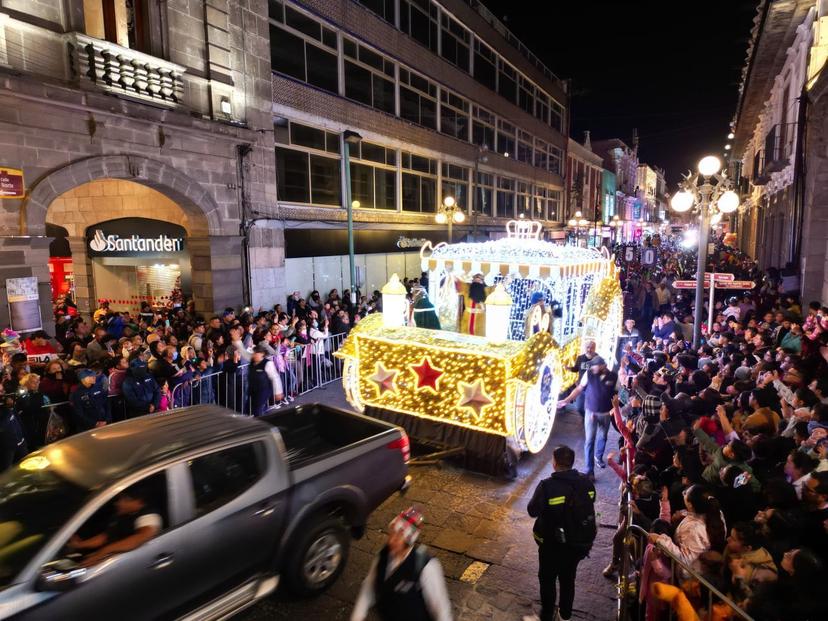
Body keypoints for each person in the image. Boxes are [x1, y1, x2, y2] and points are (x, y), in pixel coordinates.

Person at [526, 445, 597, 621]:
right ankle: (565, 617)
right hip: (577, 544)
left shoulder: (547, 486)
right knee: (568, 580)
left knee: (548, 579)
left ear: (555, 463)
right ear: (571, 463)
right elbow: (592, 498)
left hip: (552, 544)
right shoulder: (586, 482)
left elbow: (532, 510)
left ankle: (547, 616)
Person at [351, 507, 452, 621]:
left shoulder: (426, 567)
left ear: (408, 540)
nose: (391, 540)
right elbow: (369, 587)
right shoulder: (383, 555)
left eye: (399, 535)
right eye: (392, 533)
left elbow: (441, 609)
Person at [68, 482, 163, 566]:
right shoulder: (122, 514)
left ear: (139, 502)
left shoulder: (149, 515)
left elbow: (141, 537)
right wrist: (80, 545)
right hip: (113, 560)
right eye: (119, 498)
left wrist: (104, 552)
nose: (118, 503)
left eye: (125, 499)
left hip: (132, 565)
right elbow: (105, 537)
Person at [557, 356, 616, 479]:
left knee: (603, 437)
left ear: (602, 366)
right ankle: (589, 470)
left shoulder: (614, 377)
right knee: (589, 441)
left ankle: (598, 457)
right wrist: (566, 401)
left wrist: (614, 410)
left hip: (606, 414)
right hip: (591, 413)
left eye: (594, 366)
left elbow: (617, 395)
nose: (592, 369)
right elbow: (579, 389)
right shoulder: (589, 374)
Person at [14, 373, 50, 451]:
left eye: (37, 381)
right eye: (33, 382)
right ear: (26, 383)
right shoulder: (21, 393)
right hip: (27, 423)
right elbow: (25, 408)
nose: (36, 384)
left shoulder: (39, 393)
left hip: (40, 422)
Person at [248, 346, 283, 416]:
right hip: (253, 389)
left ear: (262, 354)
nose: (254, 355)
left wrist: (278, 392)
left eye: (256, 353)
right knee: (255, 408)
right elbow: (243, 352)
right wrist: (237, 342)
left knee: (258, 410)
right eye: (254, 353)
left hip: (264, 390)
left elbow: (275, 377)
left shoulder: (268, 363)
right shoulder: (252, 362)